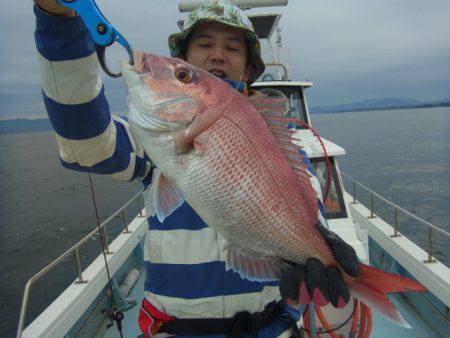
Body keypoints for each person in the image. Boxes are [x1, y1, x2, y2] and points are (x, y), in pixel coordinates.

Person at [33, 0, 359, 337]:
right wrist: (60, 23)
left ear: (248, 70)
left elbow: (307, 217)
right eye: (203, 45)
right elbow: (85, 144)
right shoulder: (151, 143)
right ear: (186, 59)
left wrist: (317, 254)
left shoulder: (285, 149)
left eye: (232, 47)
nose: (218, 54)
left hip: (271, 328)